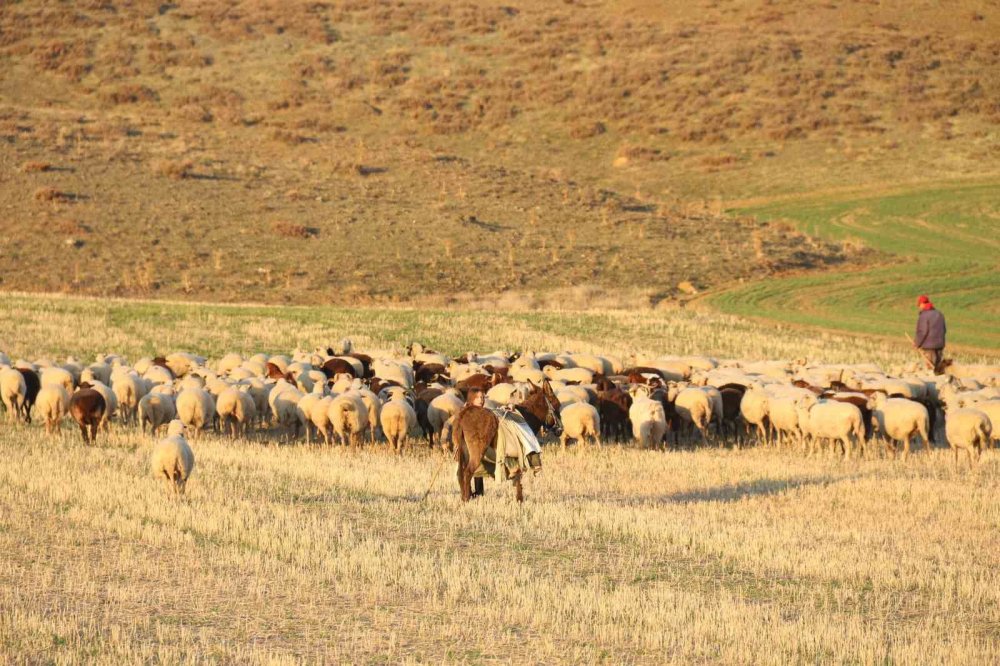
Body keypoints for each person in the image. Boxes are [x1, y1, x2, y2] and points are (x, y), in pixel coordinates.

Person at [913, 294, 946, 374]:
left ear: (923, 304)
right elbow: (944, 329)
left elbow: (922, 332)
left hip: (929, 347)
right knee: (938, 370)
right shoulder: (939, 314)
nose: (919, 307)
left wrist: (917, 343)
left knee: (930, 370)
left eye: (919, 305)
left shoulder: (924, 316)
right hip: (940, 346)